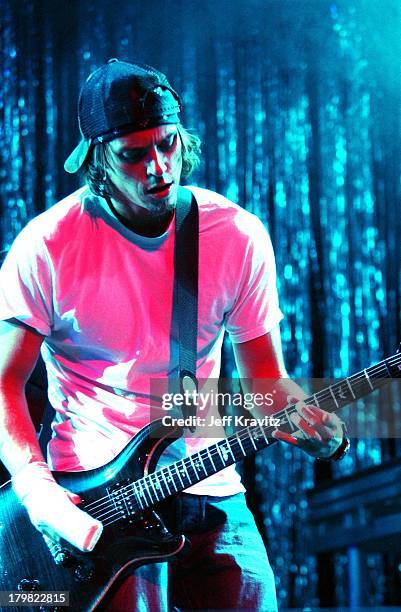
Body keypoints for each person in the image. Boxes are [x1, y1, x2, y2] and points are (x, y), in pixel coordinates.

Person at [0, 59, 348, 611]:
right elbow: (4, 383)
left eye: (167, 145)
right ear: (96, 163)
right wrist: (38, 491)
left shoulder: (234, 236)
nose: (159, 168)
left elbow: (268, 388)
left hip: (207, 482)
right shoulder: (47, 247)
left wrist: (316, 428)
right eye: (133, 155)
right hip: (93, 497)